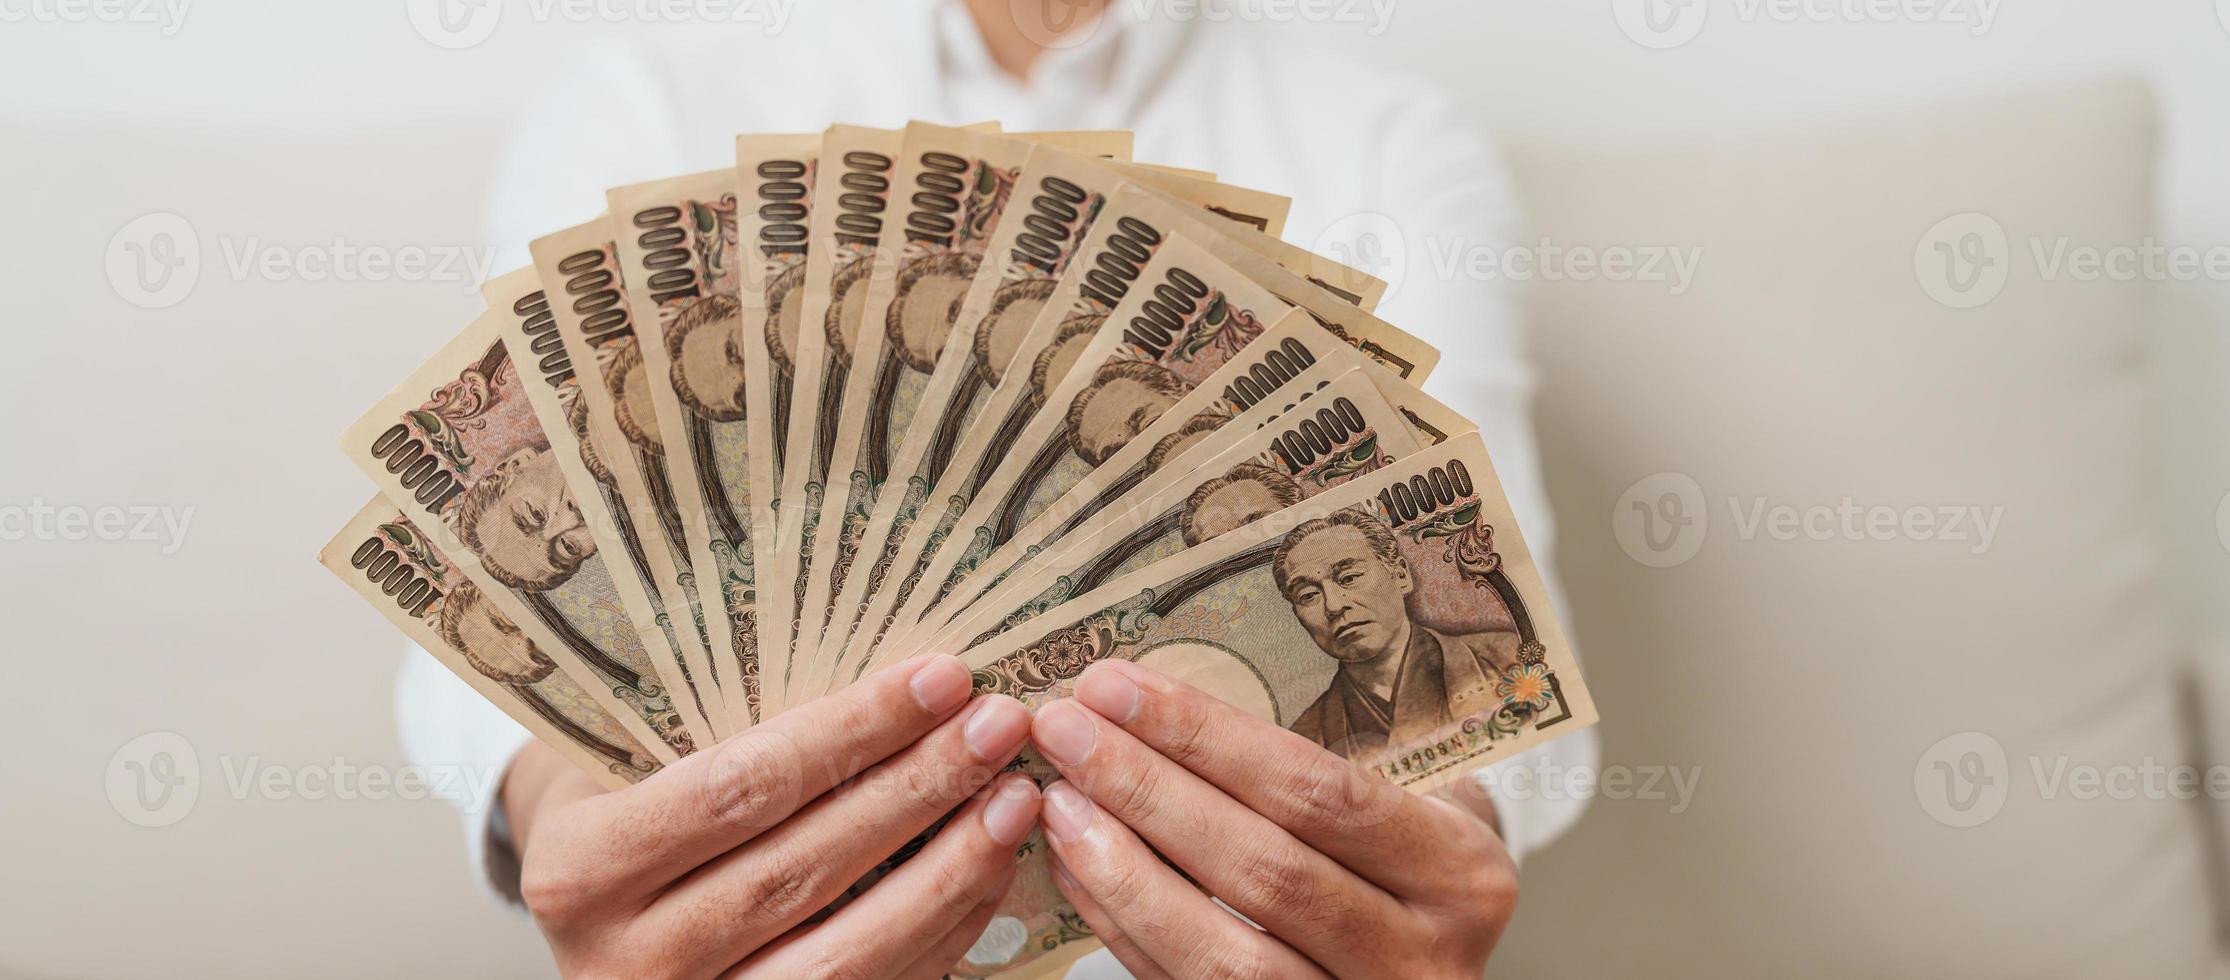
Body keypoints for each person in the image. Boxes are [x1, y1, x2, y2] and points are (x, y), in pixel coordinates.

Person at [398, 1, 1599, 975]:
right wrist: (580, 817)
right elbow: (503, 643)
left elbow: (1497, 639)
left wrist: (1414, 864)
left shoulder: (1389, 140)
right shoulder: (643, 102)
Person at [1275, 507, 1525, 750]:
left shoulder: (1508, 657)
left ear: (1401, 575)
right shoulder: (1304, 741)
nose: (1334, 605)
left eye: (1349, 578)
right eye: (1308, 595)